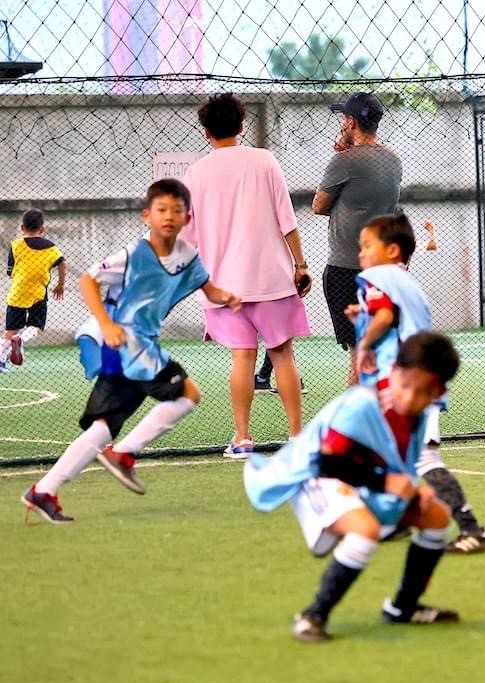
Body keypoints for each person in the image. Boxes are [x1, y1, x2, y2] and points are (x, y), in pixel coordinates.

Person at [21, 179, 241, 523]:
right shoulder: (133, 254)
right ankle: (124, 454)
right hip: (127, 343)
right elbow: (87, 281)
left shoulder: (187, 256)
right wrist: (106, 325)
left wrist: (227, 297)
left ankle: (44, 491)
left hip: (138, 347)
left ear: (187, 218)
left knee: (103, 427)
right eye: (161, 210)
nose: (168, 216)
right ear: (146, 215)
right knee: (187, 395)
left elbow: (208, 289)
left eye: (177, 210)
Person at [244, 332, 463, 641]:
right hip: (316, 475)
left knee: (437, 517)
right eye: (406, 387)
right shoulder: (363, 404)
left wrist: (413, 487)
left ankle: (404, 607)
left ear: (439, 391)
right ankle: (312, 615)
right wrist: (385, 482)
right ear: (395, 371)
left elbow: (394, 462)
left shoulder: (417, 413)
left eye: (424, 392)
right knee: (365, 530)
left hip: (358, 477)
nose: (411, 398)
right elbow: (327, 463)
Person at [348, 214, 485, 554]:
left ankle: (472, 528)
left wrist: (365, 344)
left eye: (367, 246)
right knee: (395, 455)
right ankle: (396, 520)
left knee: (423, 459)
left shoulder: (375, 276)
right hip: (422, 379)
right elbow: (390, 316)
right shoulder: (406, 281)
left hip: (409, 385)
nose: (362, 255)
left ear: (392, 250)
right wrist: (364, 319)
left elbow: (384, 317)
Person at [182, 93, 311, 457]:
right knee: (283, 355)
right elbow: (288, 220)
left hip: (223, 286)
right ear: (242, 126)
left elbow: (188, 238)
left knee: (242, 357)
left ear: (206, 131)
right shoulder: (265, 161)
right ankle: (297, 438)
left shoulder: (196, 173)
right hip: (272, 278)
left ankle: (242, 439)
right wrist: (300, 265)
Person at [313, 92, 402, 386]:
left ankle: (355, 425)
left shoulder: (344, 162)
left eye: (343, 119)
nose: (341, 124)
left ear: (351, 122)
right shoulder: (393, 160)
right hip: (383, 270)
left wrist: (342, 155)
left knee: (359, 355)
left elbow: (319, 206)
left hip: (345, 270)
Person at [1, 209, 66, 371]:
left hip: (18, 292)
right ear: (42, 229)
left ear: (22, 228)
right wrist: (60, 284)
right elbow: (62, 263)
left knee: (9, 332)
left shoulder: (15, 245)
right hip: (38, 292)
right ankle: (22, 340)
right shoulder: (51, 248)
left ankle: (1, 361)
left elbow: (10, 271)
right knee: (36, 326)